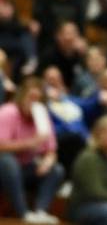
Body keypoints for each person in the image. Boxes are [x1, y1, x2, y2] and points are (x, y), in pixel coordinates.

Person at [0, 77, 64, 224]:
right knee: (8, 162)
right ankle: (23, 213)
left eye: (38, 99)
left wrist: (48, 162)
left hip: (26, 169)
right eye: (31, 98)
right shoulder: (8, 112)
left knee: (56, 169)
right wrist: (30, 143)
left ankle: (40, 211)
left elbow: (51, 150)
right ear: (22, 97)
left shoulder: (43, 117)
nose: (34, 102)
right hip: (5, 170)